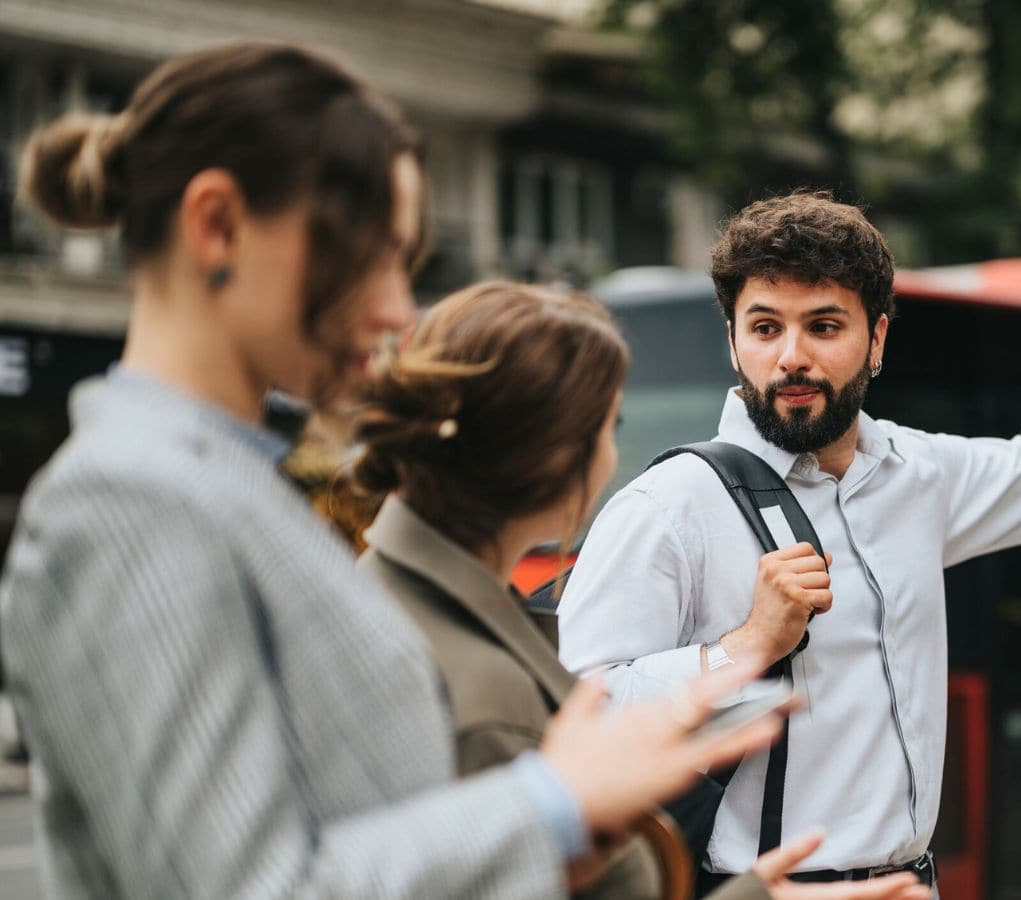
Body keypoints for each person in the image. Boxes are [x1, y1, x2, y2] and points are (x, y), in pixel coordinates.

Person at [0, 42, 781, 899]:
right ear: (217, 225)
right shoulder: (133, 501)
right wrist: (551, 800)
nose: (396, 310)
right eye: (369, 255)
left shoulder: (221, 482)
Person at [558, 191, 1021, 887]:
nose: (792, 358)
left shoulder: (913, 474)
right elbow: (575, 712)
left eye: (825, 327)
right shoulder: (670, 506)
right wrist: (743, 648)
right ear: (735, 340)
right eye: (766, 327)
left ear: (878, 340)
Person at [351, 280, 932, 900]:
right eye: (610, 427)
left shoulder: (388, 603)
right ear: (555, 462)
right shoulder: (486, 700)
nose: (614, 456)